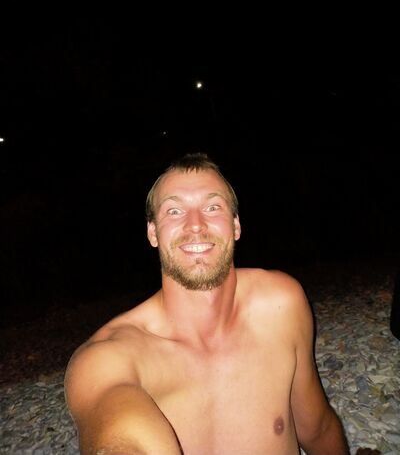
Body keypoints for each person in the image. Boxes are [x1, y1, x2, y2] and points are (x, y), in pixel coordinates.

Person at [64, 152, 350, 455]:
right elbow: (120, 439)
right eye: (175, 211)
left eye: (212, 207)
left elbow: (317, 428)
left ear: (236, 226)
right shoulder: (108, 357)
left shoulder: (280, 306)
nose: (196, 225)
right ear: (153, 233)